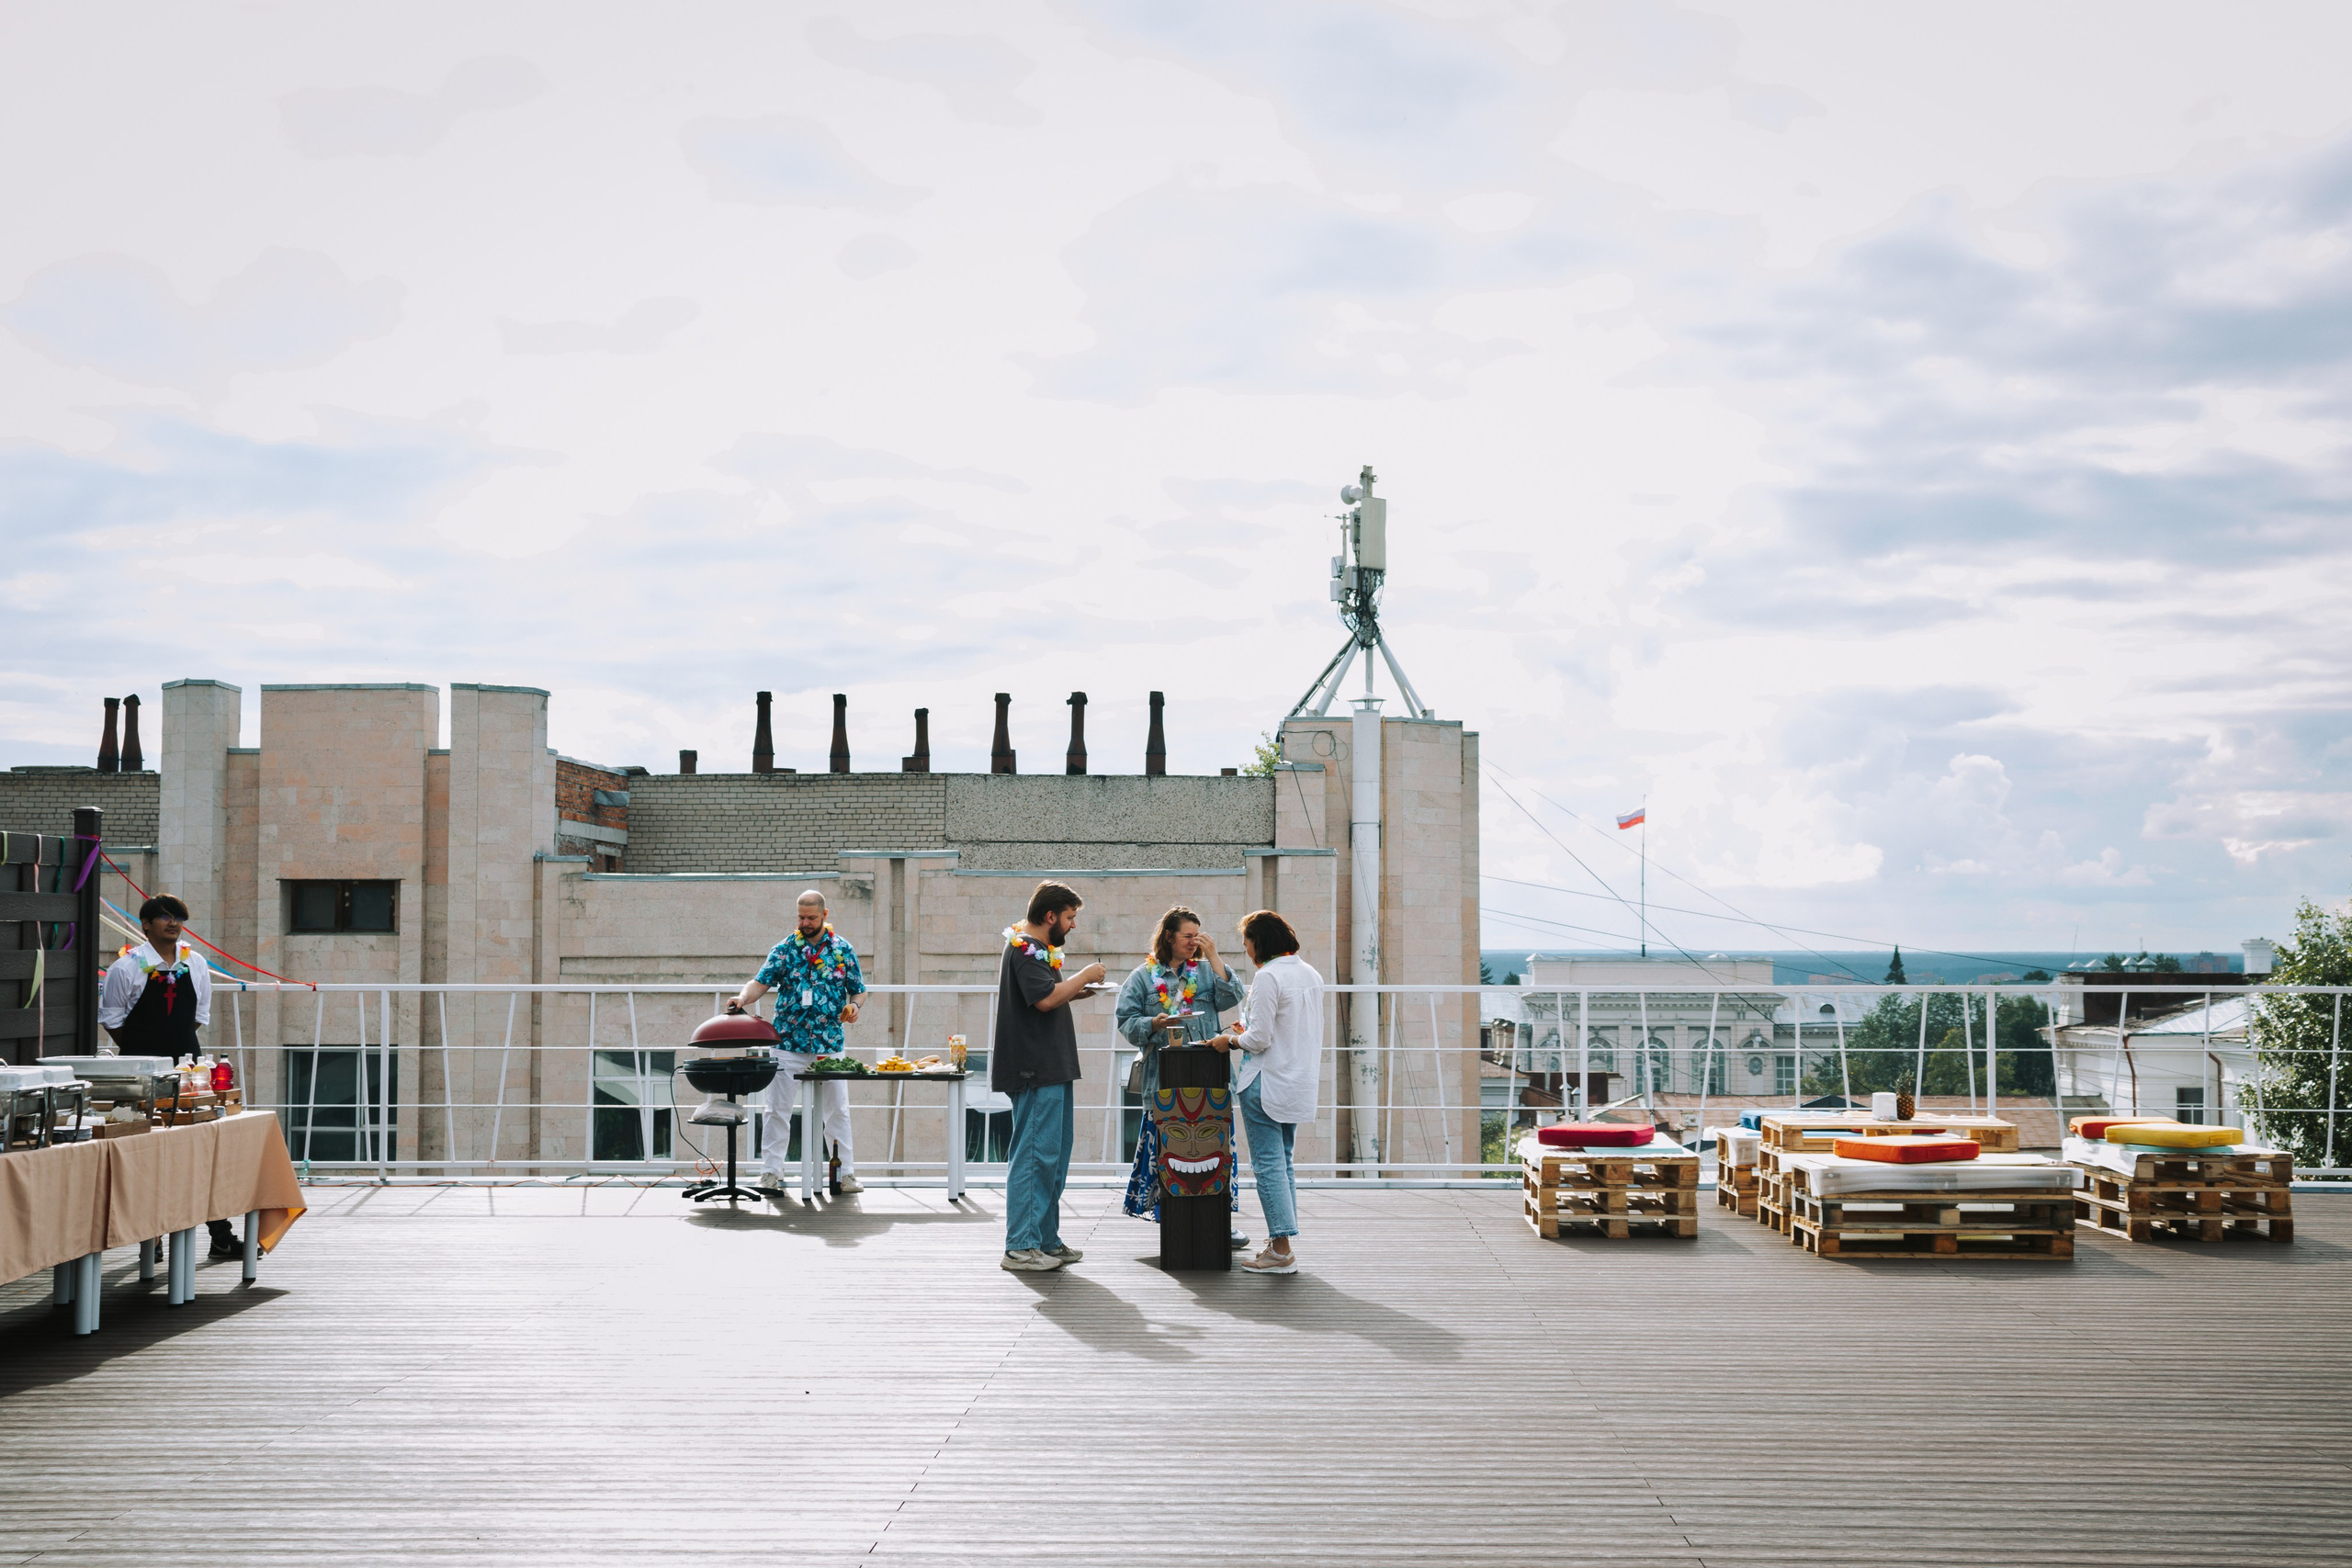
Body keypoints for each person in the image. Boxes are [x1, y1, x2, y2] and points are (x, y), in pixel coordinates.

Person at [99, 894, 240, 1259]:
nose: (173, 923)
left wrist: (176, 1050)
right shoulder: (125, 967)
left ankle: (221, 1236)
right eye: (164, 917)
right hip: (137, 1072)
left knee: (199, 1151)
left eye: (178, 917)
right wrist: (144, 1051)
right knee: (139, 1154)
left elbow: (200, 1014)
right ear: (146, 925)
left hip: (188, 1072)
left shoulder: (196, 963)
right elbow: (112, 1019)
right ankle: (150, 1238)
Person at [1117, 905, 1250, 1248]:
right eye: (1187, 936)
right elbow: (1126, 1022)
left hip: (1209, 1078)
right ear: (1168, 937)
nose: (1194, 942)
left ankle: (1219, 1221)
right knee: (1170, 1152)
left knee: (1215, 1150)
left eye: (1198, 936)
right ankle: (1173, 1222)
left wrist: (1214, 955)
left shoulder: (1205, 971)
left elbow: (1234, 995)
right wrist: (1152, 1023)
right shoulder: (1142, 977)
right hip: (1162, 1080)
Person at [995, 880, 1104, 1272]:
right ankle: (1020, 1247)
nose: (1073, 925)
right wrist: (1085, 976)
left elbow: (1045, 994)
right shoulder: (1025, 949)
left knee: (1053, 1158)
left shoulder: (1036, 949)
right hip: (1035, 1069)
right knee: (1034, 1157)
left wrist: (1072, 990)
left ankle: (1044, 1240)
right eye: (1070, 917)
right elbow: (1043, 1001)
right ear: (1050, 915)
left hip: (1051, 1067)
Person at [729, 891, 867, 1195]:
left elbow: (859, 990)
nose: (805, 923)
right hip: (788, 1043)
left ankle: (846, 1174)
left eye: (811, 918)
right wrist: (741, 998)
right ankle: (770, 1172)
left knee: (837, 1110)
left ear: (825, 915)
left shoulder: (843, 950)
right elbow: (759, 983)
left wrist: (855, 1006)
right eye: (801, 917)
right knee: (777, 1109)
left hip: (829, 1044)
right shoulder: (784, 949)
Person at [1211, 909, 1322, 1276]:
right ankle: (1281, 1243)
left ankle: (1281, 1250)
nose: (1246, 949)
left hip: (1265, 1081)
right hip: (1296, 1081)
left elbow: (1259, 1039)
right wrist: (1248, 1031)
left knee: (1268, 1165)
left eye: (1246, 942)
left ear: (1259, 942)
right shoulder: (1310, 974)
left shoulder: (1268, 976)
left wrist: (1230, 1041)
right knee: (1283, 1162)